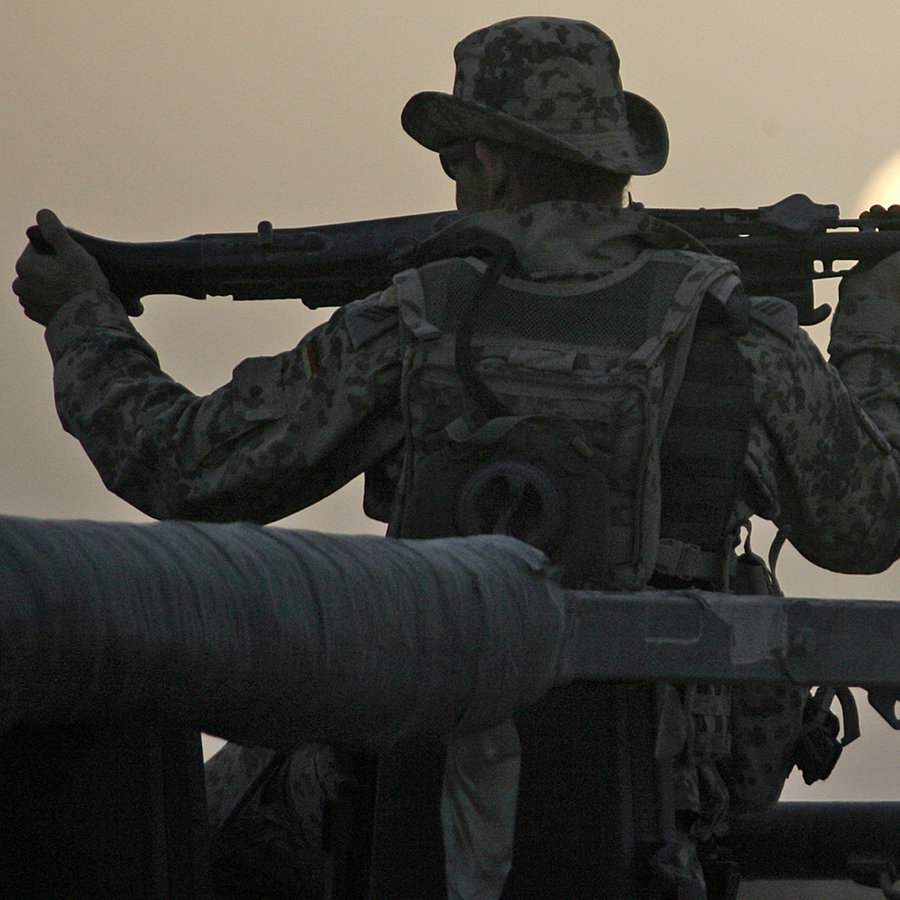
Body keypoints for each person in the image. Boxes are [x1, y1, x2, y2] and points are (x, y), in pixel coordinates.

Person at [13, 15, 900, 899]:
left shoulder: (415, 319)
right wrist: (875, 339)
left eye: (456, 159)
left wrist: (85, 320)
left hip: (415, 785)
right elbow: (866, 526)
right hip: (667, 811)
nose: (453, 184)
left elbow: (182, 465)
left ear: (498, 163)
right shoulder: (735, 332)